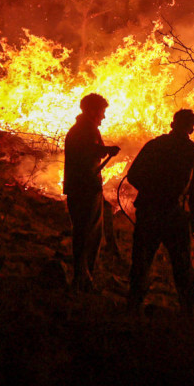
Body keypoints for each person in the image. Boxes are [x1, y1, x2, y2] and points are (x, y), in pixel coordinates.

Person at [124, 109, 194, 316]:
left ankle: (133, 306)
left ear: (172, 124)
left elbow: (133, 175)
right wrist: (193, 219)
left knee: (141, 262)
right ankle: (189, 313)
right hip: (174, 215)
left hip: (149, 211)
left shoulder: (155, 145)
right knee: (182, 266)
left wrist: (150, 190)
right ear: (191, 128)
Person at [63, 93, 121, 292]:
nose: (103, 117)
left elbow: (90, 150)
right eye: (101, 112)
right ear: (91, 111)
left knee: (87, 232)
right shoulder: (85, 129)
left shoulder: (84, 129)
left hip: (84, 186)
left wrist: (104, 150)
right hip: (84, 188)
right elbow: (87, 151)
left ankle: (84, 276)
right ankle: (82, 278)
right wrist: (106, 150)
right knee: (86, 233)